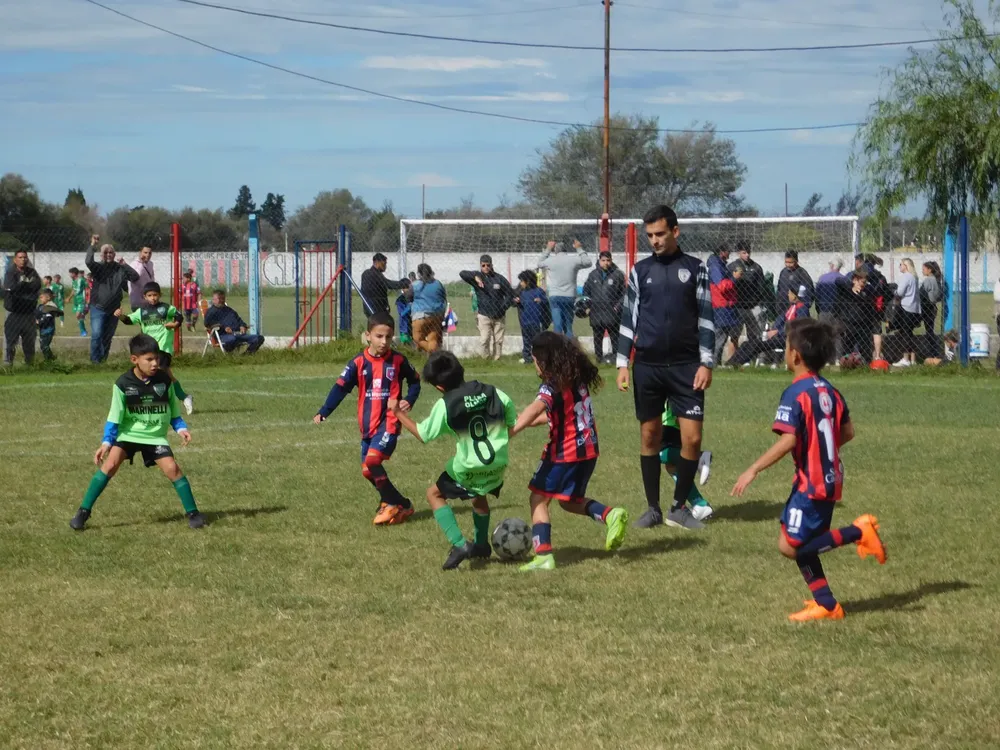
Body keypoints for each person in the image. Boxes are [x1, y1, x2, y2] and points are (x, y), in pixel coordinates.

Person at [731, 318, 887, 622]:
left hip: (811, 482)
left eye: (788, 347)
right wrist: (824, 453)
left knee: (793, 547)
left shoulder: (796, 393)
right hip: (828, 479)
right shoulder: (829, 390)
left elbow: (789, 439)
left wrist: (753, 470)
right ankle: (826, 604)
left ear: (796, 356)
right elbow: (848, 432)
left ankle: (859, 532)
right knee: (793, 542)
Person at [616, 205, 715, 531]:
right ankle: (653, 509)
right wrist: (622, 363)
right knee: (650, 436)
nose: (654, 241)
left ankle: (678, 507)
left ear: (675, 231)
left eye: (660, 234)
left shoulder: (696, 269)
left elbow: (705, 317)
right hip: (648, 366)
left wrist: (706, 363)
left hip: (687, 367)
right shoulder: (640, 271)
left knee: (692, 439)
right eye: (650, 236)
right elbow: (629, 318)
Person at [510, 331, 629, 571]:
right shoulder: (574, 377)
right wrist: (523, 421)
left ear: (542, 360)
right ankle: (610, 515)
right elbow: (554, 414)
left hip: (565, 451)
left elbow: (536, 408)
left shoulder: (552, 383)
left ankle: (543, 555)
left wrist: (512, 431)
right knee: (569, 501)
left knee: (538, 498)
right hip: (588, 450)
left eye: (534, 360)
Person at [390, 351, 515, 570]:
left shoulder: (446, 404)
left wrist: (398, 413)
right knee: (478, 495)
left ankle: (459, 545)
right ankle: (482, 545)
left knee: (434, 494)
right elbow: (512, 422)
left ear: (439, 387)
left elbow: (424, 434)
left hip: (468, 468)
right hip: (498, 465)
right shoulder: (494, 392)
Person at [69, 334, 206, 532]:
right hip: (128, 435)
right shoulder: (123, 383)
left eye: (157, 358)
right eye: (149, 359)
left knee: (173, 469)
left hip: (155, 437)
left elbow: (174, 412)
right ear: (135, 359)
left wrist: (181, 428)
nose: (154, 363)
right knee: (110, 465)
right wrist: (106, 443)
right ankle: (83, 512)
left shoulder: (165, 380)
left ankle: (193, 513)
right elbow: (114, 417)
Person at [313, 312, 421, 526]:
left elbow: (415, 381)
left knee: (372, 461)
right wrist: (324, 410)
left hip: (389, 422)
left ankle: (390, 503)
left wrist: (409, 399)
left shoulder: (398, 360)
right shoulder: (358, 363)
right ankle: (401, 504)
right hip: (367, 425)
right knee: (366, 471)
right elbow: (340, 388)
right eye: (379, 336)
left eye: (388, 337)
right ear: (368, 336)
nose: (384, 342)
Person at [116, 281, 193, 415]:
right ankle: (184, 397)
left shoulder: (166, 308)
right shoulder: (142, 312)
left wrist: (174, 324)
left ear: (160, 295)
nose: (153, 298)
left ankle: (158, 403)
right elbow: (129, 320)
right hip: (148, 350)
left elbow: (179, 316)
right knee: (166, 376)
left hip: (163, 348)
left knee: (158, 372)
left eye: (155, 295)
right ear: (145, 297)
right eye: (150, 295)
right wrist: (121, 316)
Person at [85, 235, 140, 364]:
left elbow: (135, 277)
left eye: (111, 252)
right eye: (105, 252)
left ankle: (103, 361)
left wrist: (124, 265)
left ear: (114, 254)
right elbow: (88, 261)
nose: (108, 255)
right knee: (97, 335)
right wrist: (93, 245)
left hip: (114, 309)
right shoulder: (98, 268)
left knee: (107, 337)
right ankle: (94, 361)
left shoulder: (119, 268)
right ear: (101, 255)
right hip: (98, 307)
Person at [728, 285, 811, 368]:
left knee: (757, 344)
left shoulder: (802, 309)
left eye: (790, 293)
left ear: (795, 296)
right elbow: (780, 320)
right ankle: (730, 363)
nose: (788, 295)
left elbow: (796, 327)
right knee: (748, 343)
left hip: (787, 338)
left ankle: (736, 363)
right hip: (779, 336)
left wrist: (778, 331)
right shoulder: (792, 307)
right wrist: (774, 330)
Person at [660, 404, 714, 521]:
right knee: (672, 466)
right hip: (674, 415)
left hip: (671, 417)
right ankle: (700, 504)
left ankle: (699, 457)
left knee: (659, 453)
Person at [460, 254, 515, 360]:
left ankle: (497, 359)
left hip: (499, 315)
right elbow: (462, 274)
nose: (486, 267)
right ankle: (485, 359)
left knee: (498, 340)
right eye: (483, 265)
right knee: (484, 339)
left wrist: (503, 307)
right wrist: (475, 276)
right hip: (484, 314)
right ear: (480, 266)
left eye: (488, 265)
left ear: (491, 265)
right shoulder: (477, 278)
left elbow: (509, 294)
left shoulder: (499, 278)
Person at [538, 238, 591, 338]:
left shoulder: (550, 261)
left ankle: (557, 349)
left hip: (555, 296)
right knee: (568, 325)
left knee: (557, 325)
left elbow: (539, 263)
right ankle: (569, 347)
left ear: (555, 250)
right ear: (566, 250)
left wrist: (548, 249)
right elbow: (588, 262)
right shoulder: (573, 260)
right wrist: (579, 249)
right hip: (569, 295)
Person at [582, 251, 625, 364]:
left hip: (612, 314)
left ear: (611, 261)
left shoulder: (618, 275)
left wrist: (617, 307)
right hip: (596, 313)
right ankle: (599, 360)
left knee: (615, 338)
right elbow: (586, 292)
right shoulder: (592, 275)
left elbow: (623, 294)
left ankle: (616, 359)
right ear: (599, 261)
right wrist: (587, 307)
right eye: (603, 260)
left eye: (608, 260)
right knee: (597, 338)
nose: (606, 263)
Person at [3, 249, 42, 366]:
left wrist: (22, 286)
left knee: (29, 341)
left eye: (25, 257)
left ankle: (29, 365)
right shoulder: (10, 272)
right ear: (15, 260)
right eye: (20, 257)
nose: (23, 259)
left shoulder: (32, 272)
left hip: (28, 312)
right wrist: (25, 286)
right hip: (14, 312)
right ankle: (8, 365)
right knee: (10, 341)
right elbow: (11, 288)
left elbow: (37, 285)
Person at [729, 240, 768, 345]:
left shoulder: (756, 267)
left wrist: (759, 303)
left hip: (753, 306)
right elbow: (727, 286)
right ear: (738, 253)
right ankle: (734, 360)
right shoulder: (732, 266)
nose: (747, 255)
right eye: (744, 253)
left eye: (748, 252)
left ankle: (755, 359)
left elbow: (761, 288)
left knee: (755, 335)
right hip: (738, 307)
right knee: (734, 336)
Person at [707, 243, 740, 365]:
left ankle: (717, 362)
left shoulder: (720, 264)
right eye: (728, 251)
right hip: (721, 306)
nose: (729, 253)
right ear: (721, 252)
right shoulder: (716, 266)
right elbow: (721, 286)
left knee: (723, 336)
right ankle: (713, 363)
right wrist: (734, 278)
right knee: (719, 337)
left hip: (726, 306)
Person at [515, 269, 551, 365]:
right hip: (525, 321)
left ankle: (540, 358)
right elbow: (519, 304)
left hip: (536, 321)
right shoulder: (522, 293)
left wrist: (541, 301)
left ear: (528, 281)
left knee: (538, 340)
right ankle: (527, 358)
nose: (521, 283)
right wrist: (517, 302)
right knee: (526, 340)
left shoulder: (539, 291)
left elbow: (546, 303)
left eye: (522, 281)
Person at [411, 263, 448, 353]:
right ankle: (434, 356)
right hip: (437, 315)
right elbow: (443, 296)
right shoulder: (438, 283)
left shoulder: (415, 284)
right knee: (433, 339)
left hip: (420, 315)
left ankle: (434, 354)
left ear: (419, 274)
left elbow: (408, 297)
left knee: (417, 338)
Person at [892, 258, 922, 367]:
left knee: (905, 333)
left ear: (906, 266)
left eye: (901, 264)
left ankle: (905, 359)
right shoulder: (914, 277)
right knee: (910, 333)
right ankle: (912, 360)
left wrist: (893, 291)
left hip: (906, 307)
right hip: (914, 308)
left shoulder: (906, 277)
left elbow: (899, 292)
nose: (899, 266)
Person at [360, 252, 407, 317]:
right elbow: (389, 284)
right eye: (384, 263)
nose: (385, 266)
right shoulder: (375, 274)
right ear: (377, 262)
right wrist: (405, 284)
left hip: (368, 307)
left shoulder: (366, 273)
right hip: (378, 309)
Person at [776, 250, 814, 319]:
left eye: (791, 262)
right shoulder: (783, 272)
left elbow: (809, 293)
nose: (788, 265)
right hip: (783, 310)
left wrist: (802, 307)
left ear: (796, 261)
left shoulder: (802, 273)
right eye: (786, 262)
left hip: (796, 311)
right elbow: (779, 289)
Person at [920, 261, 943, 358]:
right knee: (930, 330)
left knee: (929, 332)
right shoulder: (936, 280)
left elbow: (921, 294)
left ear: (929, 270)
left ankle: (933, 353)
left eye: (924, 269)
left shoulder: (928, 280)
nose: (922, 271)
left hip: (925, 308)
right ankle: (934, 353)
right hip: (931, 308)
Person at [35, 288, 63, 360]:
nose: (40, 299)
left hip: (48, 330)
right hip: (43, 329)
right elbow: (37, 313)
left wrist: (39, 322)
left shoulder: (50, 307)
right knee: (43, 345)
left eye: (41, 297)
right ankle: (50, 359)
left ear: (48, 297)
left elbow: (47, 317)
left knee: (44, 345)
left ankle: (50, 359)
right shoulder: (42, 306)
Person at [128, 246, 155, 311]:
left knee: (148, 320)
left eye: (149, 253)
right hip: (137, 299)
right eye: (145, 252)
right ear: (140, 253)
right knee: (136, 320)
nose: (148, 255)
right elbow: (136, 277)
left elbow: (152, 278)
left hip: (149, 298)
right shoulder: (134, 264)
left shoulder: (150, 264)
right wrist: (141, 263)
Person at [69, 267, 88, 336]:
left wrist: (88, 298)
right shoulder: (74, 281)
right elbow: (73, 290)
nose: (69, 275)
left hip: (81, 300)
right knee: (78, 317)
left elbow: (87, 288)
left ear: (74, 274)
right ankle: (83, 330)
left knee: (78, 315)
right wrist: (69, 298)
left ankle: (83, 331)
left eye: (70, 274)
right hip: (76, 301)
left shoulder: (81, 280)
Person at [395, 279, 414, 346]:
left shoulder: (414, 297)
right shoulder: (400, 300)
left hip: (413, 325)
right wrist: (409, 307)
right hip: (404, 326)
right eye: (406, 287)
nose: (408, 289)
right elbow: (401, 314)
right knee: (406, 343)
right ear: (402, 289)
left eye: (409, 287)